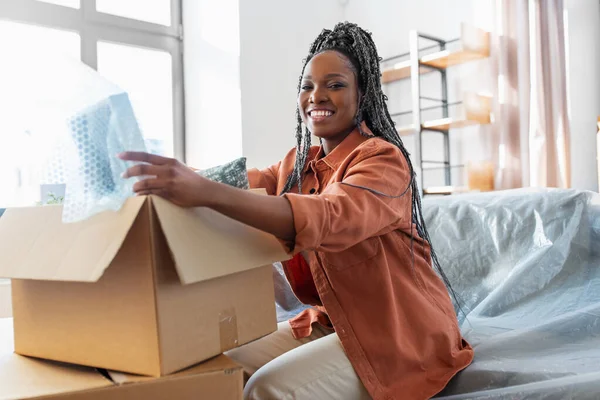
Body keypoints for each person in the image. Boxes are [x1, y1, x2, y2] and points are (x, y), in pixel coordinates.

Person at [119, 22, 473, 400]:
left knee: (265, 388)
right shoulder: (295, 165)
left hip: (400, 335)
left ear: (363, 93)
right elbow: (238, 182)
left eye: (335, 85)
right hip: (335, 321)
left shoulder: (383, 160)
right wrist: (173, 173)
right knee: (219, 366)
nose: (316, 96)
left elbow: (327, 216)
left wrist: (203, 190)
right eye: (307, 86)